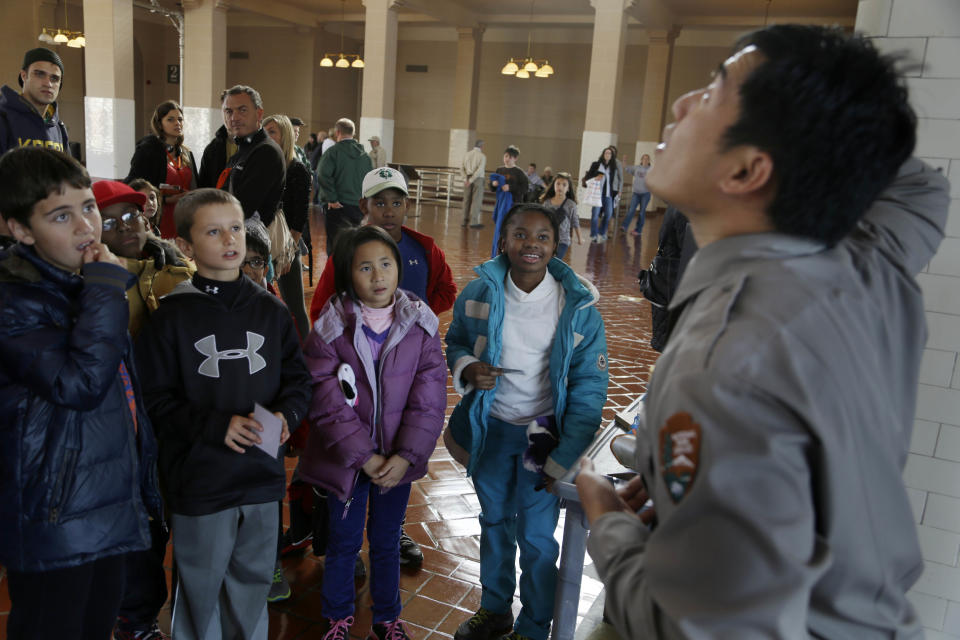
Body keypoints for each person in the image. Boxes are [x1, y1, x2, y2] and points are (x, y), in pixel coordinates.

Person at [574, 25, 951, 639]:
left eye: (714, 91)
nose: (681, 105)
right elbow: (922, 188)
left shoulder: (719, 365)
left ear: (748, 169)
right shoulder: (865, 270)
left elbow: (690, 628)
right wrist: (835, 130)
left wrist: (608, 525)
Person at [0, 147, 162, 640]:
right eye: (61, 215)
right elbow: (82, 383)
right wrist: (106, 287)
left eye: (88, 206)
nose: (85, 227)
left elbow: (124, 391)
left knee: (97, 620)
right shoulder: (14, 302)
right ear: (20, 229)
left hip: (105, 496)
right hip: (55, 510)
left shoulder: (78, 282)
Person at [135, 188, 311, 640]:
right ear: (187, 247)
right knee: (200, 585)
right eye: (213, 231)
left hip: (261, 476)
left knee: (253, 583)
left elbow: (298, 380)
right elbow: (154, 399)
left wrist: (288, 415)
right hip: (201, 479)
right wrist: (216, 426)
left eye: (234, 228)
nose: (230, 240)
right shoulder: (171, 317)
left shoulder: (271, 310)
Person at [445, 203, 608, 640]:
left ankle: (535, 625)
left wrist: (564, 454)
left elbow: (590, 387)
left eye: (542, 237)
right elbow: (456, 339)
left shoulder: (577, 306)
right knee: (495, 521)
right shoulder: (479, 293)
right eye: (520, 234)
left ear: (556, 245)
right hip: (493, 428)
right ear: (503, 239)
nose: (530, 244)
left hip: (543, 436)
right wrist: (466, 367)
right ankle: (495, 608)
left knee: (537, 537)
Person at [300, 224, 447, 640]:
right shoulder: (331, 327)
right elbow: (325, 400)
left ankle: (387, 619)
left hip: (397, 463)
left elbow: (430, 398)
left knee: (386, 543)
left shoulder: (420, 323)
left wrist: (406, 456)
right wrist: (364, 455)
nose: (378, 276)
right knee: (344, 544)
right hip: (348, 463)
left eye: (386, 264)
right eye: (366, 267)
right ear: (349, 273)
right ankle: (337, 617)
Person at [90, 179, 192, 640]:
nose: (125, 228)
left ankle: (167, 611)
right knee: (139, 524)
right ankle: (135, 618)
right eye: (109, 222)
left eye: (131, 216)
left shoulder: (175, 265)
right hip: (123, 420)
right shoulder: (90, 275)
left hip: (174, 416)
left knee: (171, 517)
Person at [310, 166, 457, 323]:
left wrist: (421, 315)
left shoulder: (425, 250)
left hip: (414, 345)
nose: (389, 212)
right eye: (380, 204)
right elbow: (321, 309)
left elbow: (447, 289)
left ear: (407, 205)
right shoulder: (347, 252)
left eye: (396, 203)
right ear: (363, 206)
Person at [205, 85, 285, 227]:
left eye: (242, 110)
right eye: (228, 111)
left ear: (259, 114)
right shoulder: (244, 149)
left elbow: (242, 209)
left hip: (250, 243)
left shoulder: (266, 152)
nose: (234, 117)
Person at [263, 114, 311, 340]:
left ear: (285, 136)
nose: (267, 135)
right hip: (260, 242)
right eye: (265, 130)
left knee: (295, 306)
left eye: (272, 131)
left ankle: (307, 356)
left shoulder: (297, 169)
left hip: (286, 244)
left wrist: (288, 252)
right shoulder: (261, 165)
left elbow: (299, 215)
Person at [126, 100, 198, 239]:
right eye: (170, 119)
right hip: (160, 215)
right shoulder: (149, 151)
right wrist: (165, 200)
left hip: (184, 214)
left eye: (180, 119)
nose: (177, 123)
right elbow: (138, 184)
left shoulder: (186, 153)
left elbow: (194, 185)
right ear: (160, 124)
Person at [638, 205, 696, 352]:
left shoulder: (679, 203)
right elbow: (693, 253)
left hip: (670, 286)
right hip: (676, 289)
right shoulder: (687, 208)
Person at [318, 117, 374, 253]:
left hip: (338, 206)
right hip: (358, 207)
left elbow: (322, 174)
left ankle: (335, 274)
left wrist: (332, 198)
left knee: (335, 246)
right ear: (353, 133)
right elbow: (370, 181)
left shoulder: (333, 152)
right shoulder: (365, 157)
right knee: (353, 246)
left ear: (337, 132)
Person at [0, 48, 69, 155]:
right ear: (24, 76)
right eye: (40, 74)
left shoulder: (58, 128)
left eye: (54, 78)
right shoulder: (4, 119)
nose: (48, 84)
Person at [581, 147, 620, 243]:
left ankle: (602, 232)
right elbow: (589, 176)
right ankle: (594, 235)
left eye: (610, 154)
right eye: (606, 153)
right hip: (597, 194)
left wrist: (617, 191)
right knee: (595, 215)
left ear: (612, 156)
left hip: (608, 194)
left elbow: (613, 181)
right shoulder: (596, 164)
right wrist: (596, 176)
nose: (608, 155)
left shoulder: (613, 167)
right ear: (603, 154)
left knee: (608, 214)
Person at [540, 171, 581, 260]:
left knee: (555, 261)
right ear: (553, 186)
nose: (560, 187)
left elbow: (575, 221)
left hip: (563, 241)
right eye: (558, 184)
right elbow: (542, 220)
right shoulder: (547, 203)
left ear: (568, 188)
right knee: (545, 261)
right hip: (547, 239)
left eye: (564, 185)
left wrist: (579, 238)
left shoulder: (571, 204)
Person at [620, 153, 652, 237]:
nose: (645, 160)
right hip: (636, 193)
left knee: (641, 212)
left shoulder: (651, 169)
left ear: (649, 161)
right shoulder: (636, 168)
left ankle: (638, 230)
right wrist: (624, 160)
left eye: (647, 159)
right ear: (641, 160)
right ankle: (624, 226)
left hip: (646, 194)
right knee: (631, 210)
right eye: (643, 159)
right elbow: (625, 167)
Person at [461, 139, 487, 228]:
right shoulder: (482, 156)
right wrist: (472, 180)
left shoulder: (466, 154)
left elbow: (461, 168)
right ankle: (473, 222)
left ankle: (464, 221)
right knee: (476, 201)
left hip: (467, 178)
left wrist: (465, 179)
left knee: (466, 200)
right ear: (482, 146)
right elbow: (480, 170)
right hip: (478, 179)